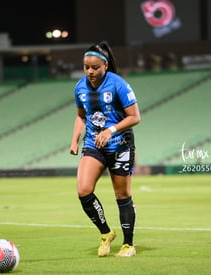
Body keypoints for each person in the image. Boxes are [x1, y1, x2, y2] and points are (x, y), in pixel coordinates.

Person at [69, 41, 141, 257]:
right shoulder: (80, 87)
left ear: (105, 66)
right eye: (86, 67)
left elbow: (135, 117)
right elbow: (81, 116)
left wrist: (110, 130)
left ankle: (128, 245)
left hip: (120, 145)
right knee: (83, 190)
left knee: (122, 195)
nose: (90, 72)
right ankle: (106, 233)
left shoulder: (118, 84)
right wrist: (75, 140)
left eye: (95, 67)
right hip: (94, 144)